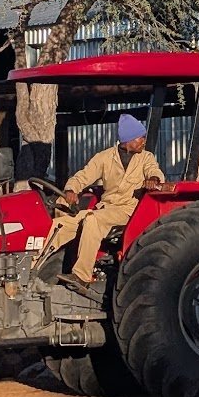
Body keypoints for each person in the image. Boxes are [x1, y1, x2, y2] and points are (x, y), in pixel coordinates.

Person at [42, 113, 164, 290]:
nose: (143, 141)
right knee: (61, 224)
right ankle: (31, 268)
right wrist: (71, 189)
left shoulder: (146, 157)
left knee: (92, 220)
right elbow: (83, 176)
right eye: (140, 137)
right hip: (106, 209)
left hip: (128, 210)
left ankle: (82, 276)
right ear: (128, 140)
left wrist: (153, 178)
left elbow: (154, 171)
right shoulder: (104, 158)